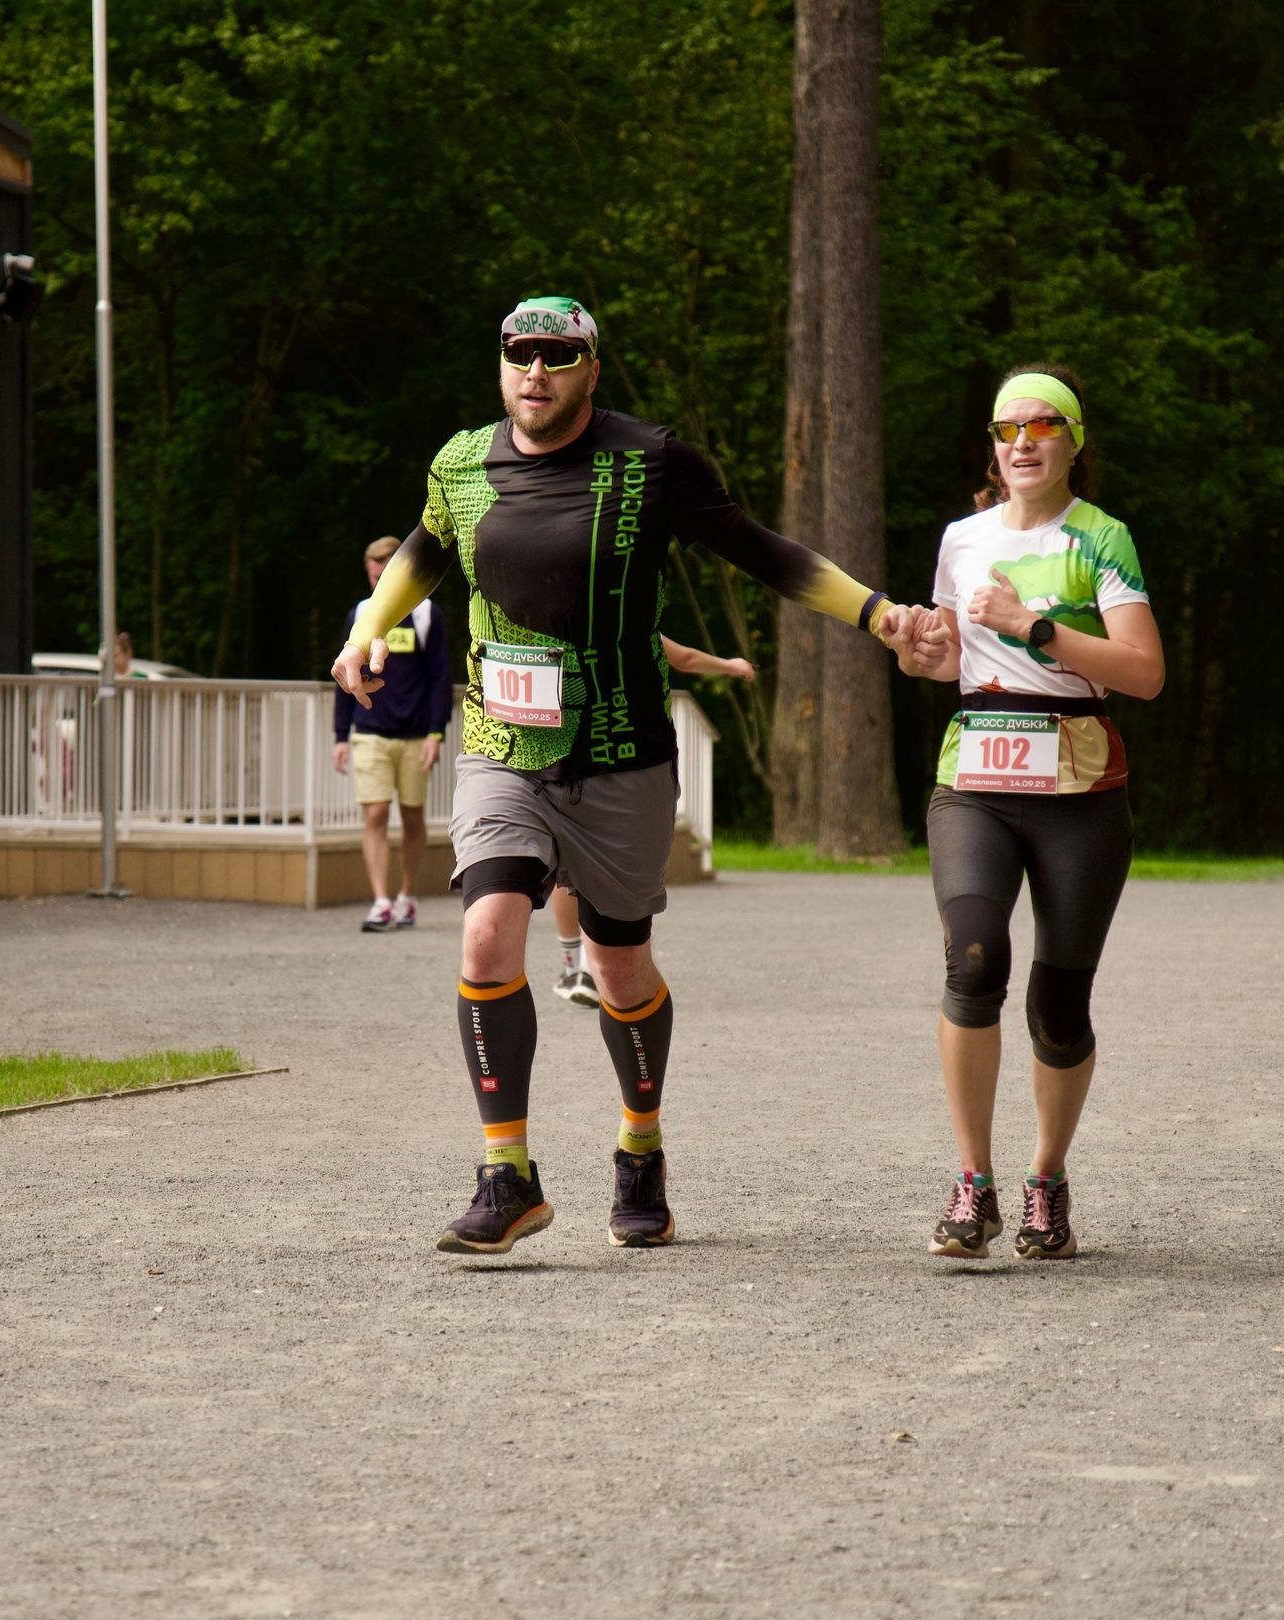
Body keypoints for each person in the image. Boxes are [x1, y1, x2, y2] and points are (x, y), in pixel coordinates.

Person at [331, 295, 909, 1255]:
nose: (536, 372)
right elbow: (428, 550)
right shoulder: (462, 462)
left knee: (617, 965)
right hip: (503, 747)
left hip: (621, 752)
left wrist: (876, 613)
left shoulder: (651, 461)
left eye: (559, 356)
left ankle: (640, 1147)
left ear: (592, 371)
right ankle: (505, 1173)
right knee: (485, 936)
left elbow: (760, 550)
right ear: (502, 365)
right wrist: (364, 628)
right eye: (520, 354)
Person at [885, 364, 1165, 1261]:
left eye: (1044, 426)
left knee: (1058, 1002)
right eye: (1008, 429)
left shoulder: (1102, 538)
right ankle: (974, 1185)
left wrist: (1032, 625)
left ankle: (1047, 1181)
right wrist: (916, 649)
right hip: (975, 777)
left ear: (1074, 443)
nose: (1023, 442)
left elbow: (1145, 672)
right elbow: (946, 658)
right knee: (974, 960)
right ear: (993, 446)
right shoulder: (962, 539)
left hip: (1080, 789)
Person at [549, 637, 755, 1008]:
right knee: (609, 871)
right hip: (617, 758)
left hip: (558, 749)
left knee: (566, 865)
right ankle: (602, 965)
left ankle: (575, 965)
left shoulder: (551, 618)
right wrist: (731, 665)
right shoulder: (625, 616)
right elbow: (686, 659)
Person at [332, 536, 451, 931]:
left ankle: (407, 896)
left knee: (413, 816)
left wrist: (437, 732)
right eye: (373, 574)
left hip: (416, 733)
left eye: (386, 573)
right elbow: (343, 679)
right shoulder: (360, 615)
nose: (378, 580)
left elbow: (439, 677)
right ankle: (381, 901)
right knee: (376, 813)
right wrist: (339, 736)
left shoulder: (427, 615)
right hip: (369, 731)